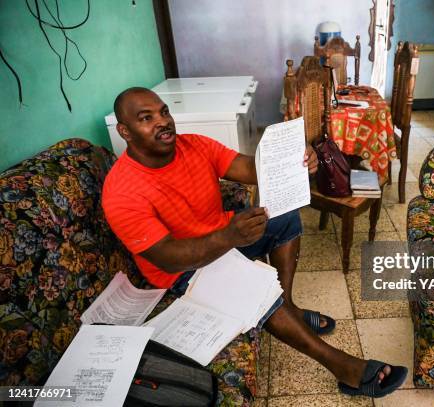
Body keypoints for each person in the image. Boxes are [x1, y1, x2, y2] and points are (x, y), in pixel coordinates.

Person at [102, 87, 407, 398]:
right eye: (146, 118)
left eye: (164, 112)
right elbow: (167, 257)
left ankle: (288, 304)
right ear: (124, 131)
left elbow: (248, 167)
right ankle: (346, 369)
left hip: (222, 239)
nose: (162, 121)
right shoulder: (122, 190)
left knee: (287, 216)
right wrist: (229, 236)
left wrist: (298, 161)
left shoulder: (193, 145)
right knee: (258, 295)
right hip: (183, 271)